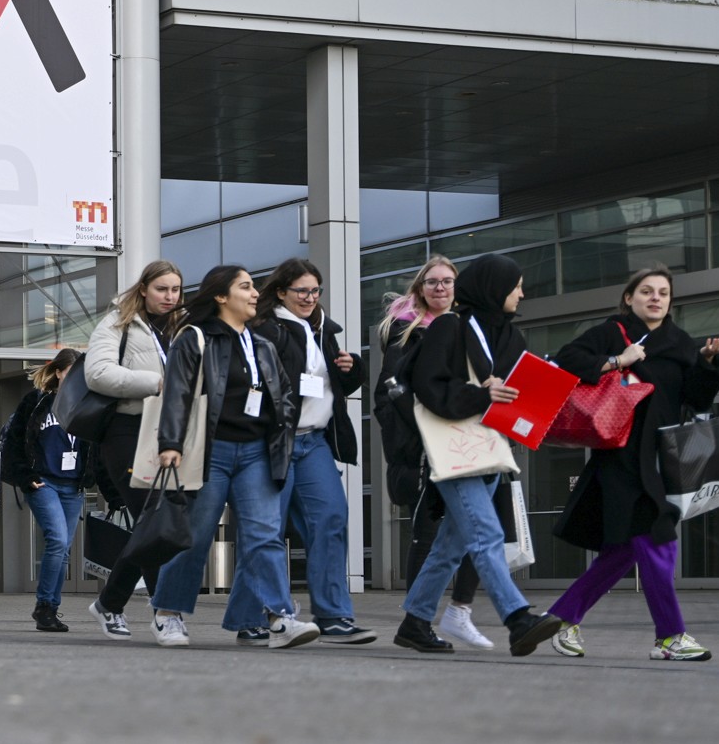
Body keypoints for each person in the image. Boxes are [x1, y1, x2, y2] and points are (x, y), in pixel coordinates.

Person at [547, 266, 719, 662]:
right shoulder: (611, 331)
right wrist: (617, 360)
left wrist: (709, 363)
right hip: (622, 455)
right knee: (657, 535)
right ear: (629, 297)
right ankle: (670, 636)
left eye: (663, 292)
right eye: (647, 291)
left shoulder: (681, 343)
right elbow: (567, 359)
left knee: (626, 549)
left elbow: (695, 400)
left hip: (662, 455)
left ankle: (562, 617)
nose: (656, 298)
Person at [395, 252, 563, 656]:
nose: (521, 293)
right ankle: (517, 618)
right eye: (516, 285)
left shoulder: (510, 335)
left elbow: (510, 392)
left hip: (489, 446)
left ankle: (415, 623)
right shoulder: (450, 327)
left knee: (451, 546)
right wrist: (480, 393)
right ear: (494, 287)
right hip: (456, 449)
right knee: (487, 534)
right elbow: (428, 386)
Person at [148, 266, 320, 649]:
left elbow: (284, 395)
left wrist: (284, 435)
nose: (256, 292)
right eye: (246, 286)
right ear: (221, 297)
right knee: (194, 536)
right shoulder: (194, 338)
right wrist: (170, 443)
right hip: (211, 452)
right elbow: (177, 392)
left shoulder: (261, 344)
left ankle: (280, 618)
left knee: (265, 536)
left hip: (258, 453)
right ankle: (168, 614)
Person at [224, 259, 374, 644]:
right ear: (281, 293)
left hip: (314, 441)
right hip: (274, 442)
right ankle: (250, 617)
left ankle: (334, 616)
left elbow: (332, 387)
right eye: (302, 291)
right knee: (265, 531)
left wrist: (351, 370)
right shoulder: (265, 329)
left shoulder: (323, 329)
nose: (310, 298)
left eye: (315, 291)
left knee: (332, 519)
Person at [377, 255, 495, 650]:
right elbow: (391, 392)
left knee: (470, 533)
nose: (440, 288)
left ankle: (459, 612)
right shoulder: (405, 331)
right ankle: (417, 621)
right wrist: (414, 439)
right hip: (423, 447)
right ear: (420, 289)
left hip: (466, 441)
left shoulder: (468, 328)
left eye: (447, 281)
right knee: (427, 535)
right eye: (432, 282)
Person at [83, 259, 181, 639]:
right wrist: (156, 382)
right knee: (155, 519)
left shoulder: (184, 328)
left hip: (172, 432)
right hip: (128, 431)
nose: (169, 297)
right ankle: (165, 611)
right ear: (143, 289)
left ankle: (109, 602)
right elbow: (98, 372)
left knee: (156, 523)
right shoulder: (118, 322)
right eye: (162, 289)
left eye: (175, 289)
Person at [1, 347, 89, 632]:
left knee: (63, 549)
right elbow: (14, 441)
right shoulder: (37, 402)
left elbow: (97, 447)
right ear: (59, 372)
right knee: (58, 541)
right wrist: (26, 477)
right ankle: (45, 606)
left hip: (73, 485)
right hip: (44, 482)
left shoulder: (87, 405)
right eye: (71, 372)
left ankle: (49, 608)